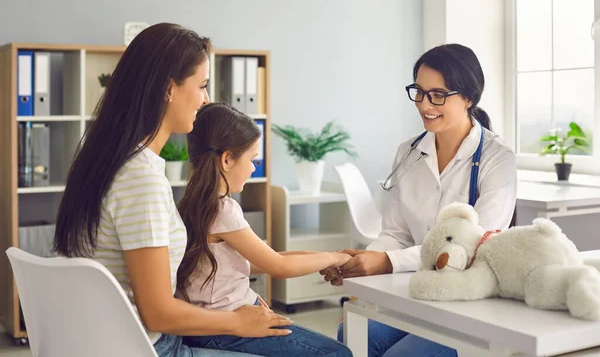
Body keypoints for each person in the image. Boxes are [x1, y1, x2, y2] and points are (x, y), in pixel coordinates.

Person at [53, 23, 290, 357]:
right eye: (202, 85)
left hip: (106, 339)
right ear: (169, 89)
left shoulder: (105, 161)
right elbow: (158, 313)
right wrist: (237, 321)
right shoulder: (140, 179)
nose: (206, 98)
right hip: (150, 347)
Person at [322, 43, 517, 357]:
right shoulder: (409, 152)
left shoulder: (497, 159)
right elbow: (395, 233)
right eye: (419, 92)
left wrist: (386, 262)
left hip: (470, 300)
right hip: (418, 290)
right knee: (353, 332)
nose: (425, 104)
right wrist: (362, 264)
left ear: (468, 97)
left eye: (438, 94)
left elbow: (471, 246)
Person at [176, 102, 353, 357]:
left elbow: (265, 258)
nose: (253, 167)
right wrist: (336, 257)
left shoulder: (190, 204)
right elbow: (279, 267)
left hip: (210, 326)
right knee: (337, 354)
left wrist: (317, 260)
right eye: (252, 159)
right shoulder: (223, 210)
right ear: (227, 159)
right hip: (223, 331)